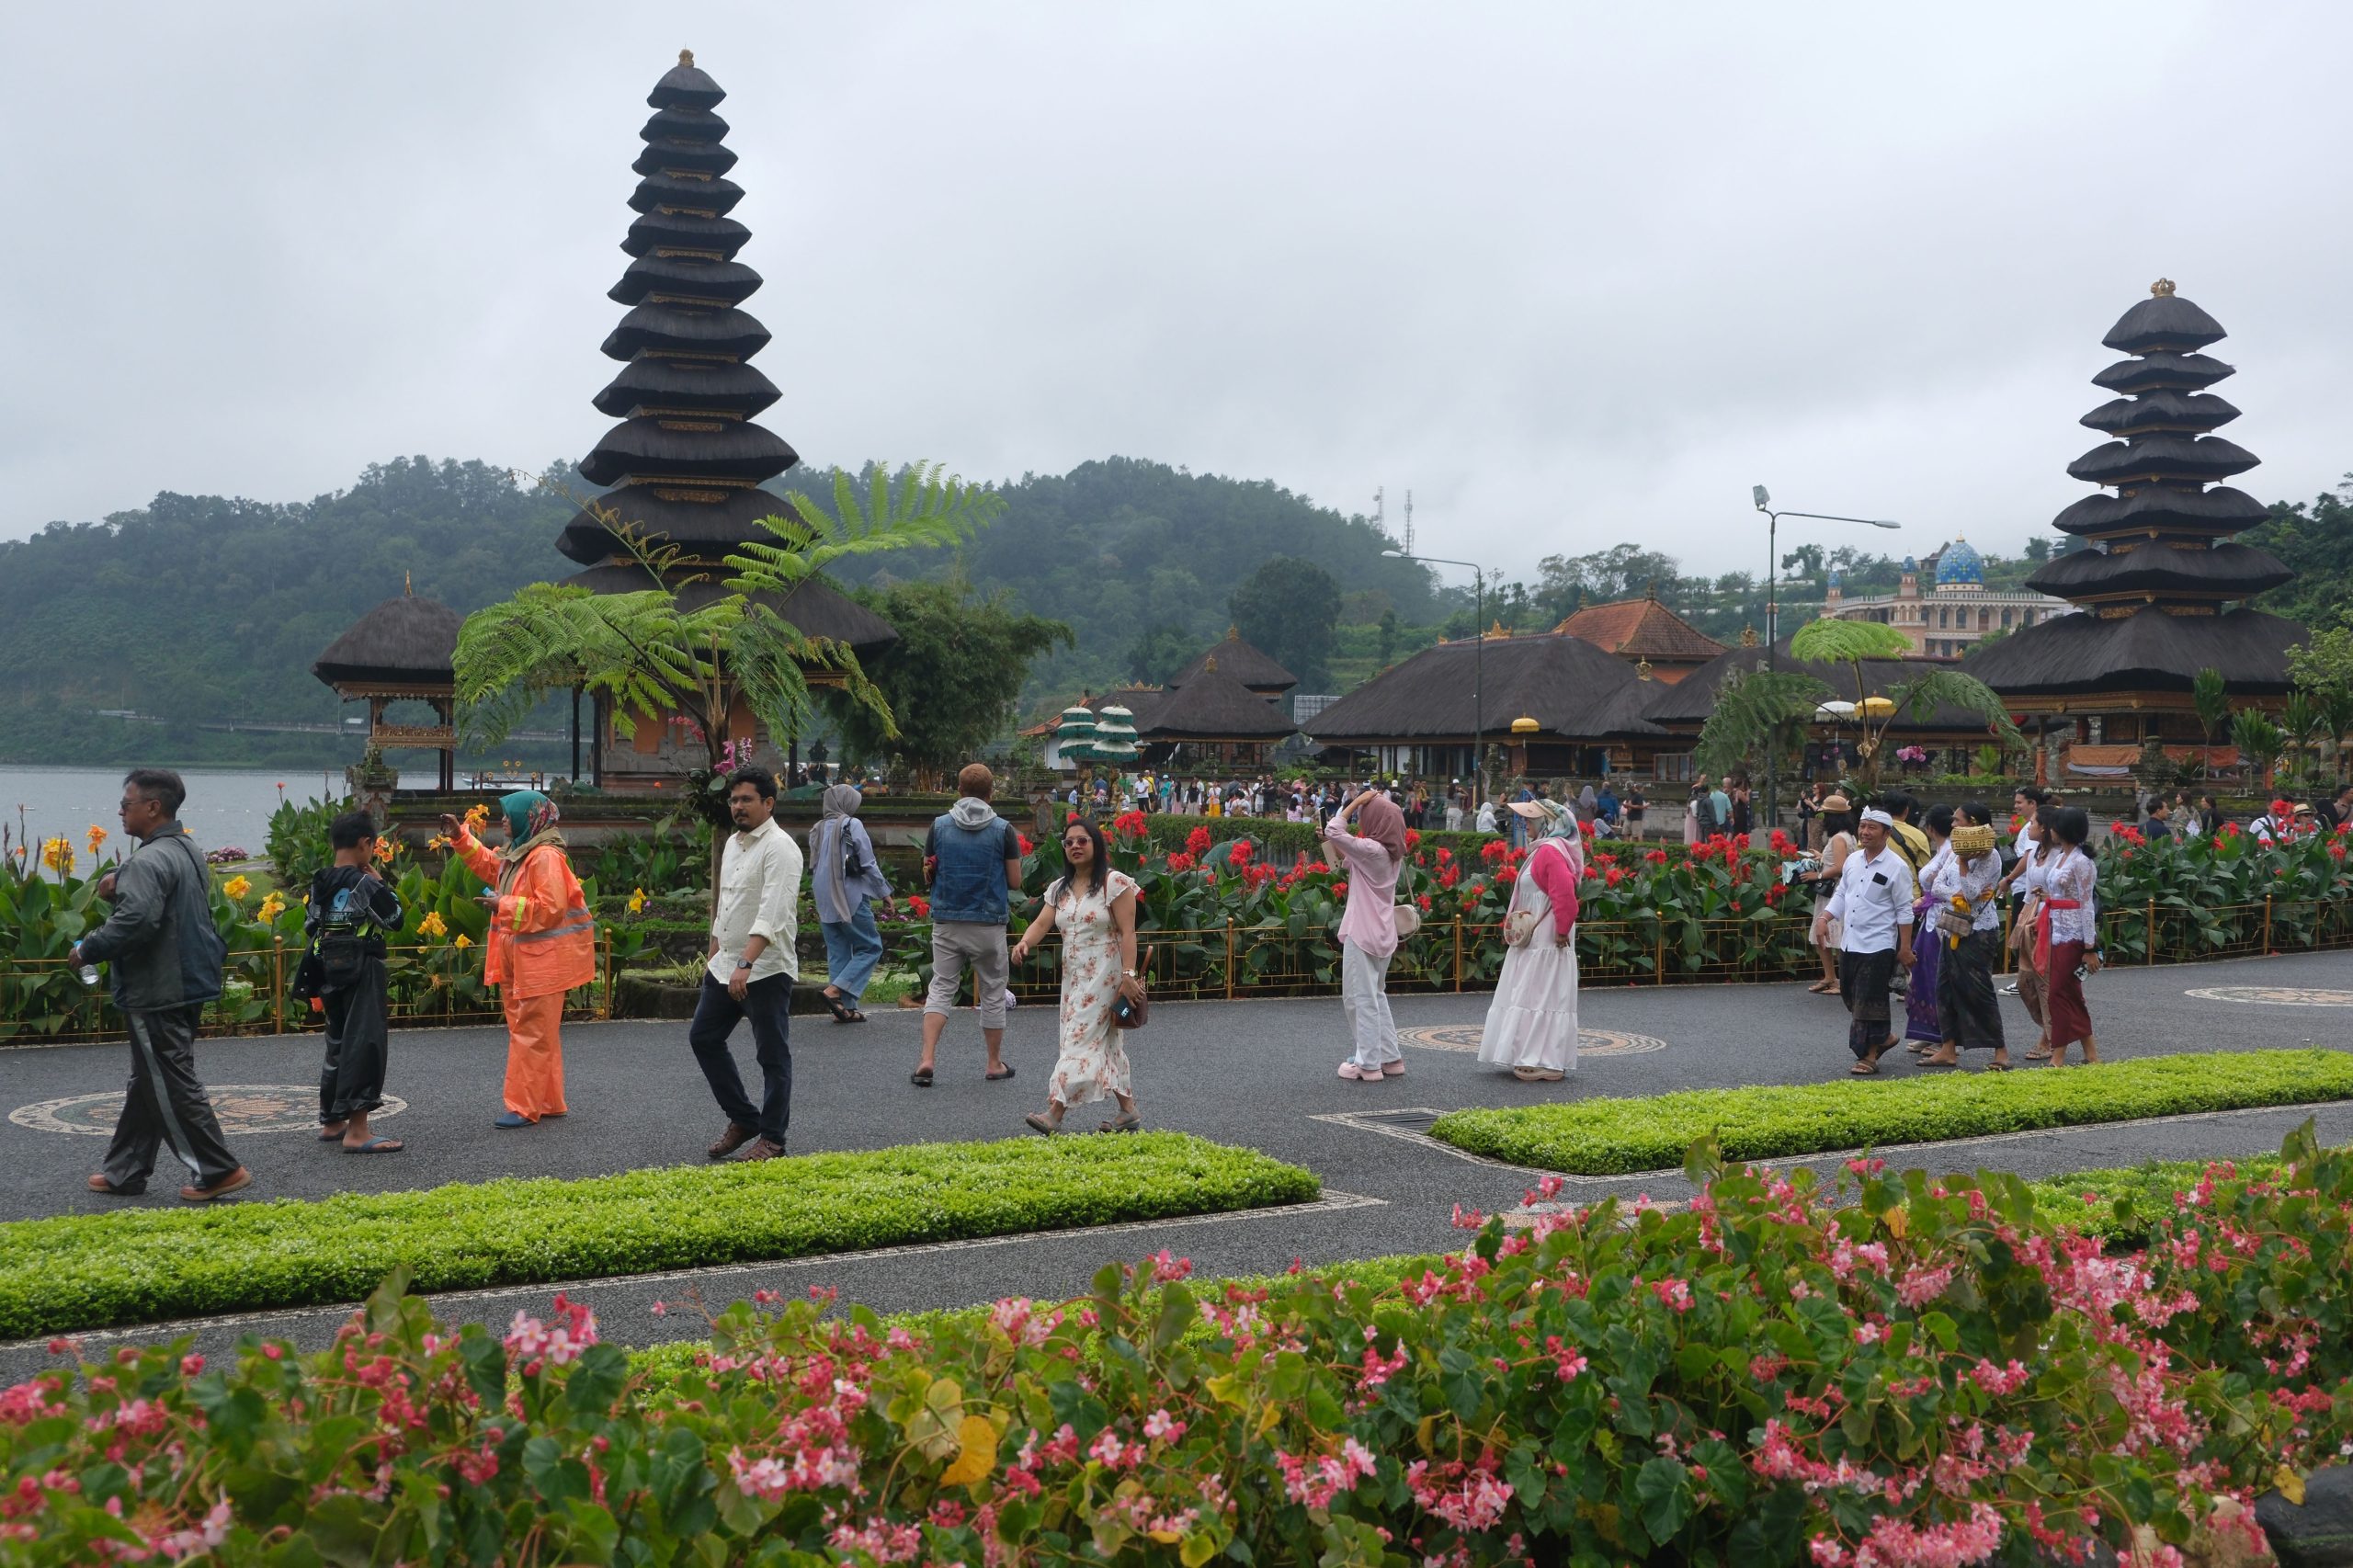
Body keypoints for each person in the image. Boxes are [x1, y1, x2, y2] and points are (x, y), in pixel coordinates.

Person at [72, 768, 249, 1201]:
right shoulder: (186, 849)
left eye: (126, 804)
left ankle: (217, 1169)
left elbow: (137, 922)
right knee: (151, 1077)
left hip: (158, 987)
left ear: (152, 807)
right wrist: (120, 880)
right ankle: (124, 1171)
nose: (120, 810)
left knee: (168, 1078)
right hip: (189, 980)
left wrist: (87, 949)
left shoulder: (147, 860)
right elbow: (157, 901)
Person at [440, 790, 597, 1128]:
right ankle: (547, 1101)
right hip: (524, 958)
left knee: (531, 1032)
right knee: (536, 1033)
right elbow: (490, 865)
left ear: (530, 819)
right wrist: (460, 837)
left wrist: (504, 906)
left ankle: (523, 1107)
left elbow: (551, 909)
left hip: (542, 961)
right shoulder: (522, 853)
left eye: (510, 815)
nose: (503, 820)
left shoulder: (544, 858)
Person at [689, 768, 802, 1161]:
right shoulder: (734, 844)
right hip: (725, 967)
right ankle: (743, 1119)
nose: (738, 806)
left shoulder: (781, 848)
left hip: (765, 969)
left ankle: (773, 1139)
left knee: (772, 1056)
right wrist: (716, 952)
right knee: (703, 1038)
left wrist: (745, 963)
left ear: (768, 803)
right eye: (734, 800)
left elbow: (773, 913)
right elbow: (727, 902)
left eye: (746, 800)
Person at [1012, 818, 1144, 1134]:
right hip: (1073, 979)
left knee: (1078, 1040)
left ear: (1096, 845)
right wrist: (1025, 942)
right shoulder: (1059, 889)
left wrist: (1129, 975)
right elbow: (1043, 923)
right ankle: (1128, 1110)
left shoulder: (1115, 883)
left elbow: (1128, 932)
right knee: (1106, 1041)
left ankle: (1054, 1113)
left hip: (1106, 975)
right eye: (1069, 842)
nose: (1075, 847)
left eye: (1082, 841)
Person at [912, 763, 1023, 1087]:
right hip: (988, 923)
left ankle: (927, 1058)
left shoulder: (939, 826)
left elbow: (929, 869)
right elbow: (1015, 880)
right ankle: (993, 1063)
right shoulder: (1004, 830)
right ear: (991, 794)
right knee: (992, 990)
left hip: (947, 920)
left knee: (941, 987)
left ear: (958, 791)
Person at [309, 810, 406, 1153]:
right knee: (364, 1044)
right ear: (365, 844)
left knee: (337, 1042)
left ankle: (332, 1121)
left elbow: (311, 924)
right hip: (362, 967)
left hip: (328, 970)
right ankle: (358, 1131)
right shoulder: (364, 883)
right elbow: (395, 920)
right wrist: (381, 884)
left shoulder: (319, 880)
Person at [1477, 799, 1584, 1082]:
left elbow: (1566, 897)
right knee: (1537, 993)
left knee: (1541, 993)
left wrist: (1561, 930)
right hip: (1539, 937)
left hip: (1546, 939)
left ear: (1548, 823)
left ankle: (1543, 1057)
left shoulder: (1550, 852)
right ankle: (1535, 1054)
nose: (1526, 824)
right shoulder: (1545, 851)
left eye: (1531, 820)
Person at [1822, 806, 1916, 1075]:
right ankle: (1883, 1038)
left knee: (1869, 999)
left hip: (1879, 944)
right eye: (1862, 826)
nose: (1865, 832)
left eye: (1872, 827)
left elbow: (1904, 910)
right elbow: (1842, 893)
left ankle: (1869, 1054)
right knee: (1850, 994)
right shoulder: (1852, 861)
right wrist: (1824, 918)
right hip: (1850, 941)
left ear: (1887, 833)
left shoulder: (1896, 867)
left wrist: (1905, 947)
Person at [1324, 787, 1408, 1081]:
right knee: (1376, 995)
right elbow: (1341, 857)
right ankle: (1390, 1057)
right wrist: (1333, 843)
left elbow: (1334, 829)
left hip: (1362, 933)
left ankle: (1368, 1063)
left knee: (1359, 998)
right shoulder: (1390, 853)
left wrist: (1353, 804)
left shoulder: (1372, 849)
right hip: (1383, 934)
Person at [1920, 804, 2010, 1070]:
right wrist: (1956, 893)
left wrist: (1961, 865)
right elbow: (1936, 886)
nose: (1954, 826)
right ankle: (1948, 1048)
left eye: (1958, 821)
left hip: (1978, 930)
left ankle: (2001, 1051)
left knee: (1978, 989)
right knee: (1945, 988)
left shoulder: (1989, 856)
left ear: (1973, 823)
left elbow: (1970, 893)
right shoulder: (1954, 851)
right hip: (1952, 926)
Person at [809, 783, 893, 1024]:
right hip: (849, 897)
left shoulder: (818, 828)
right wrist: (884, 892)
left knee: (839, 952)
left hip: (824, 898)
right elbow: (867, 863)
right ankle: (834, 991)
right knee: (871, 947)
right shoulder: (851, 824)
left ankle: (845, 1008)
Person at [2033, 805, 2102, 1066]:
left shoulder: (2082, 862)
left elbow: (2086, 904)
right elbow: (2064, 895)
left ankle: (2058, 1054)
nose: (2051, 830)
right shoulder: (2063, 857)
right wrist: (2047, 899)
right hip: (2056, 927)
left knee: (2058, 994)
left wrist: (2090, 946)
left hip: (2074, 934)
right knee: (2069, 993)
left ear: (2063, 829)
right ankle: (2091, 1055)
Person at [1901, 804, 1956, 1057]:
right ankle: (1926, 1032)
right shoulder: (1942, 851)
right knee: (1923, 974)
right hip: (1931, 920)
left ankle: (1941, 1034)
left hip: (1942, 921)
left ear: (1930, 828)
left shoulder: (1951, 852)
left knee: (1935, 976)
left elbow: (1945, 889)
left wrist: (1925, 900)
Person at [2008, 810, 2056, 1055]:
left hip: (2050, 917)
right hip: (2031, 915)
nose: (2028, 827)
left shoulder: (2060, 856)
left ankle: (2048, 1038)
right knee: (2025, 982)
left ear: (2046, 828)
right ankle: (2052, 1028)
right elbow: (2028, 889)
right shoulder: (2036, 853)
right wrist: (2023, 917)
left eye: (2033, 823)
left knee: (2045, 980)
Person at [1803, 792, 1856, 994]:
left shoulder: (1837, 839)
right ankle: (1830, 977)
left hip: (1834, 890)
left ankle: (1836, 980)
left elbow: (1841, 867)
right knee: (1826, 934)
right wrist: (1821, 857)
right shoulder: (1847, 836)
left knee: (1829, 932)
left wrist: (1816, 875)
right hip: (1837, 889)